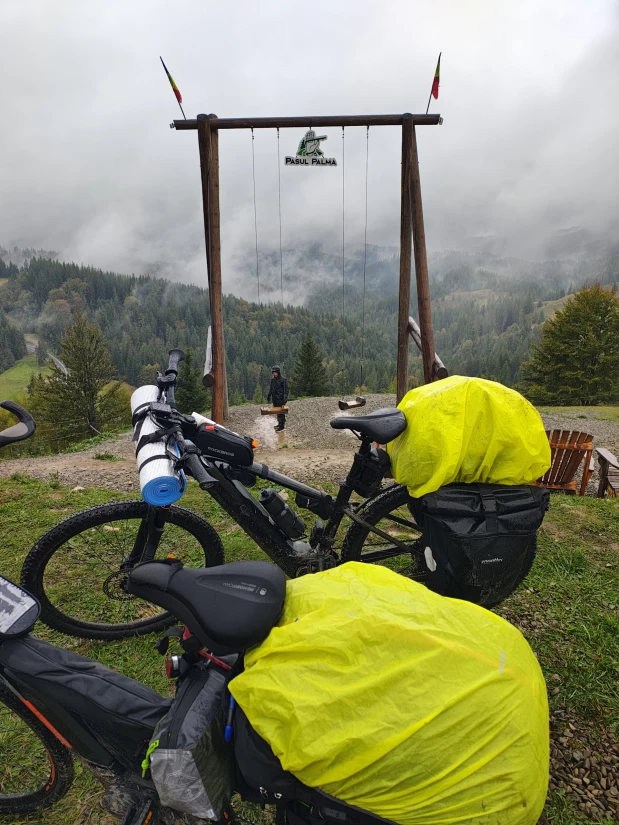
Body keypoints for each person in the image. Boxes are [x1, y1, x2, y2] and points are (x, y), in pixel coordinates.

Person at [267, 365, 288, 432]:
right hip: (274, 398)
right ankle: (279, 423)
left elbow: (286, 390)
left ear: (278, 372)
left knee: (281, 412)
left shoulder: (283, 380)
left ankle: (282, 426)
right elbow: (271, 389)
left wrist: (285, 398)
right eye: (273, 372)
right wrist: (269, 395)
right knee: (277, 412)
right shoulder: (272, 380)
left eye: (275, 372)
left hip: (280, 398)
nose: (274, 373)